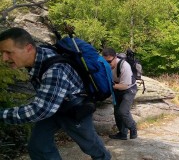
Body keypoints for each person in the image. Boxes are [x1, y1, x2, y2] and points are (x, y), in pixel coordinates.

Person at [0, 27, 111, 160]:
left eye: (8, 52)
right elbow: (45, 106)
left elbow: (40, 110)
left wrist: (2, 115)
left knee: (90, 145)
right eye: (2, 53)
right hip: (52, 105)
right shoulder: (39, 55)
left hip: (74, 109)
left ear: (28, 48)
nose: (4, 59)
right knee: (38, 146)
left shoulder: (55, 70)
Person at [102, 48, 138, 140]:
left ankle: (133, 127)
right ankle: (122, 133)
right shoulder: (105, 65)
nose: (107, 64)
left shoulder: (124, 66)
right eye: (105, 61)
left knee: (123, 111)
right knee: (117, 112)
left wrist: (110, 85)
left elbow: (125, 86)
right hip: (116, 88)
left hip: (129, 89)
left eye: (109, 61)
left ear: (115, 58)